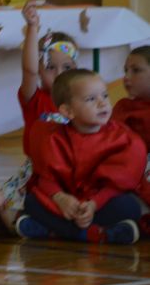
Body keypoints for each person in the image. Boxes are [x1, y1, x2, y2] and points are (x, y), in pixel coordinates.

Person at [16, 69, 145, 244]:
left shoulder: (123, 138)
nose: (102, 103)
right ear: (68, 111)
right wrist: (60, 198)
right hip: (66, 205)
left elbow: (117, 185)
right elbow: (46, 179)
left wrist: (93, 204)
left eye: (105, 96)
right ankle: (96, 234)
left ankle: (54, 231)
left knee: (129, 207)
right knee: (31, 201)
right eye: (91, 99)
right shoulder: (52, 137)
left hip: (99, 203)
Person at [0, 1, 78, 226]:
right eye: (51, 67)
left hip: (70, 171)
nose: (60, 73)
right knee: (4, 210)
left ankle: (46, 225)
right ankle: (30, 223)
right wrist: (33, 28)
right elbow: (29, 70)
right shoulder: (35, 98)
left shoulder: (80, 101)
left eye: (67, 67)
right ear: (40, 70)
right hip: (36, 172)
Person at [111, 45, 150, 234]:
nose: (126, 77)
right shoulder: (123, 107)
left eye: (135, 70)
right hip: (129, 169)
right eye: (125, 70)